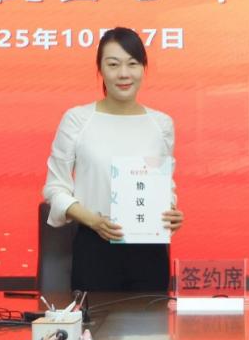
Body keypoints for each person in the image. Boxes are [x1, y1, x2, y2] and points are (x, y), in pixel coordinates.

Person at [43, 27, 184, 292]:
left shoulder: (161, 124)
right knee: (95, 320)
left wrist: (170, 210)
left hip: (149, 251)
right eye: (113, 64)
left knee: (152, 319)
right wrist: (93, 221)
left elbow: (165, 184)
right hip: (94, 248)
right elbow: (55, 188)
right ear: (100, 69)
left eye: (133, 64)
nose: (124, 74)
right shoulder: (77, 120)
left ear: (143, 68)